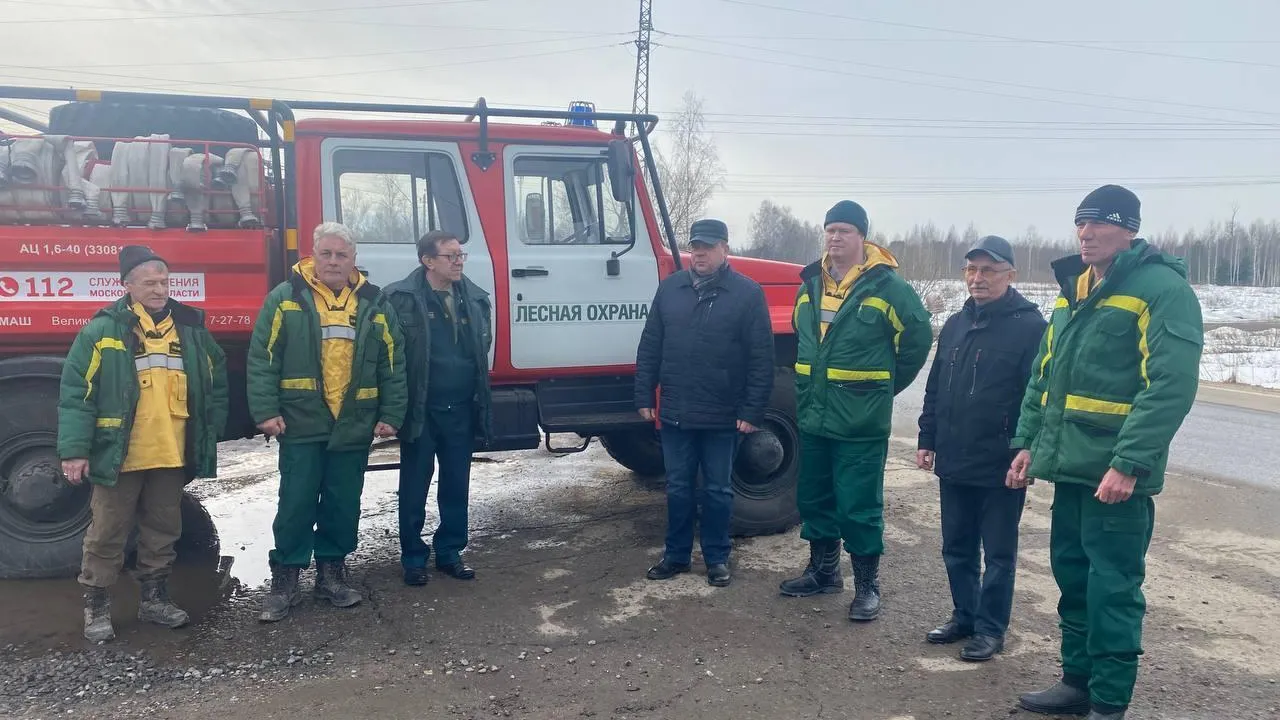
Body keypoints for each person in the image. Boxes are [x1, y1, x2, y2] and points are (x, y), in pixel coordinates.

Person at [1008, 186, 1203, 720]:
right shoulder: (1075, 288)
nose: (1086, 234)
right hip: (1068, 467)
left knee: (1112, 587)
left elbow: (1170, 386)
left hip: (1115, 476)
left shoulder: (1162, 289)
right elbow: (1045, 376)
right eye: (1080, 223)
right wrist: (1028, 444)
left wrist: (1128, 463)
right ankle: (1077, 684)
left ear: (1130, 230)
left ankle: (1110, 702)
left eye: (1099, 224)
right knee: (1072, 577)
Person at [58, 245, 228, 642]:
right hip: (121, 454)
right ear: (127, 285)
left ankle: (155, 600)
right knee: (107, 531)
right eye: (149, 282)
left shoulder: (190, 329)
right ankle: (97, 605)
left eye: (164, 281)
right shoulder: (103, 330)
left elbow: (215, 382)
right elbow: (76, 394)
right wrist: (75, 450)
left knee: (163, 529)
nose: (159, 289)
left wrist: (209, 429)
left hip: (170, 452)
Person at [779, 200, 931, 621]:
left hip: (860, 421)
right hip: (814, 415)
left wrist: (881, 388)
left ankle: (867, 586)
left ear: (862, 236)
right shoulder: (810, 284)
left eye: (844, 230)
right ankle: (823, 572)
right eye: (829, 229)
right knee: (814, 497)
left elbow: (917, 341)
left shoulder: (888, 287)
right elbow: (801, 338)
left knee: (859, 506)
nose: (835, 237)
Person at [249, 222, 407, 622]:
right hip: (302, 421)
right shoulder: (285, 299)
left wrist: (391, 415)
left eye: (342, 255)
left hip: (353, 422)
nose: (334, 262)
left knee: (342, 503)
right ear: (313, 256)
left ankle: (332, 574)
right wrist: (266, 411)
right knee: (296, 502)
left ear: (354, 260)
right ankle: (286, 579)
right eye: (327, 254)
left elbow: (394, 363)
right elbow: (263, 359)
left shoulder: (374, 302)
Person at [916, 235, 1047, 661]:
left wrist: (1025, 450)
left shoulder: (1030, 328)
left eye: (988, 270)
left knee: (999, 554)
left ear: (1011, 274)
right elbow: (935, 387)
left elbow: (1037, 395)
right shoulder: (955, 324)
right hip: (954, 457)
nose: (978, 278)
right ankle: (965, 617)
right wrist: (927, 438)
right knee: (956, 546)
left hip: (1000, 464)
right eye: (971, 270)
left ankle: (992, 629)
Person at [634, 218, 774, 587]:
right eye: (695, 245)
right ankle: (676, 556)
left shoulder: (747, 294)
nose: (699, 252)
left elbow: (761, 358)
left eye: (708, 246)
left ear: (725, 250)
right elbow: (650, 345)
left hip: (722, 414)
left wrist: (751, 411)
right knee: (678, 488)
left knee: (717, 489)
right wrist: (643, 393)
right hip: (677, 410)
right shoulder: (671, 290)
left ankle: (716, 558)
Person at [386, 230, 493, 586]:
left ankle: (450, 552)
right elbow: (390, 359)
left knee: (456, 484)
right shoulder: (398, 299)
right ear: (428, 261)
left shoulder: (476, 300)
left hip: (461, 407)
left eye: (461, 255)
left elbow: (480, 351)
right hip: (422, 410)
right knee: (414, 485)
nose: (459, 261)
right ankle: (413, 558)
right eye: (451, 256)